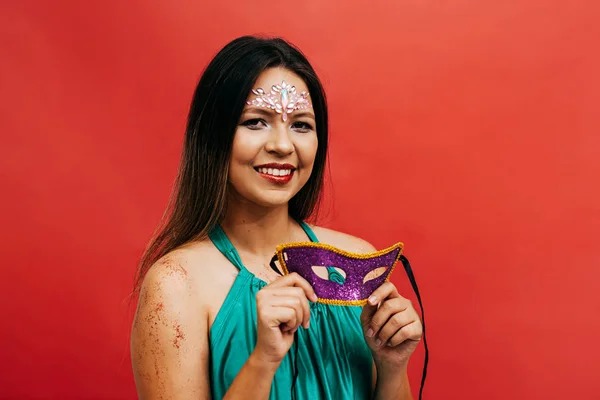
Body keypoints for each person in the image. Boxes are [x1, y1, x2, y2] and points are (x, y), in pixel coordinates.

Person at [130, 36, 423, 400]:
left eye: (301, 125)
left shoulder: (353, 260)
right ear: (214, 135)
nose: (283, 145)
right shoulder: (175, 286)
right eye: (255, 122)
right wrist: (263, 359)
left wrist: (393, 368)